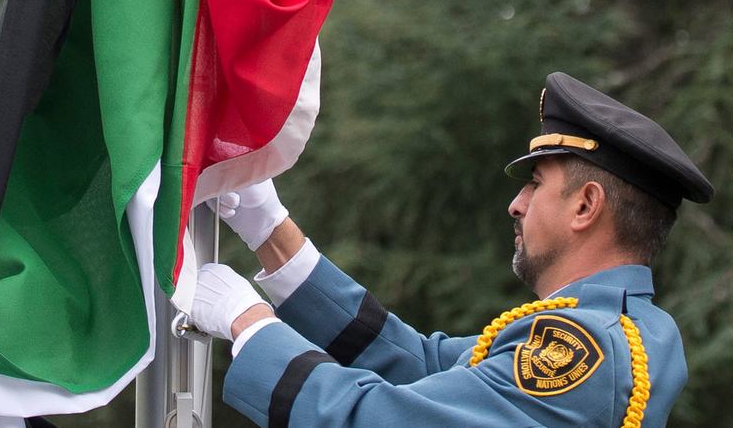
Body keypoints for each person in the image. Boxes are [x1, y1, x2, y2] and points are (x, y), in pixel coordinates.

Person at [189, 72, 712, 427]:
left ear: (585, 207)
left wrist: (250, 323)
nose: (516, 204)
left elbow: (378, 420)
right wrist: (270, 230)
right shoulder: (623, 326)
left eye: (536, 184)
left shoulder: (584, 350)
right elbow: (421, 364)